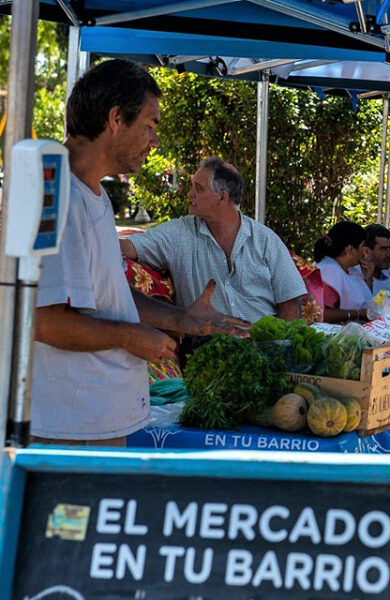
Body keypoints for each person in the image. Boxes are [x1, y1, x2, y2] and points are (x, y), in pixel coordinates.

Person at [32, 59, 249, 446]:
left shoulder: (93, 194)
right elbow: (45, 322)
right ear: (116, 119)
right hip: (67, 430)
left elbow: (108, 294)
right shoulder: (54, 194)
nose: (154, 140)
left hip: (97, 420)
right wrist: (130, 337)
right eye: (149, 125)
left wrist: (182, 318)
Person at [120, 157, 306, 324]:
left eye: (198, 189)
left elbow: (290, 301)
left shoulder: (265, 239)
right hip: (209, 345)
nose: (189, 194)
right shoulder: (179, 233)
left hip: (262, 345)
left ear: (223, 197)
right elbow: (129, 247)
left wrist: (280, 347)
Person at [314, 221, 372, 322]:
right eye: (363, 247)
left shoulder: (352, 271)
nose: (365, 252)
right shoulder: (329, 270)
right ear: (350, 250)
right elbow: (319, 312)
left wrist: (368, 279)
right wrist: (357, 314)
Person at [354, 223, 390, 296]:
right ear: (366, 251)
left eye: (389, 248)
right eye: (383, 249)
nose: (389, 255)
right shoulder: (352, 275)